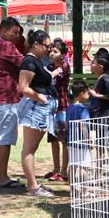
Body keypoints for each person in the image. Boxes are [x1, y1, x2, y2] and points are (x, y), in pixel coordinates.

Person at [17, 30, 60, 198]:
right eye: (46, 46)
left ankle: (33, 184)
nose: (49, 50)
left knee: (31, 148)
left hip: (42, 108)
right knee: (29, 149)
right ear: (36, 44)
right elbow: (23, 87)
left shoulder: (36, 61)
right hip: (36, 109)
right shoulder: (29, 62)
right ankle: (33, 187)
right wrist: (40, 98)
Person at [0, 17, 24, 188]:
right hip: (6, 100)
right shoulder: (6, 45)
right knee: (5, 139)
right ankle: (2, 177)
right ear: (5, 30)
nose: (17, 36)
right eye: (15, 32)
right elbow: (24, 62)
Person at [45, 38, 71, 182]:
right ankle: (55, 169)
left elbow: (50, 77)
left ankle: (63, 171)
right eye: (51, 51)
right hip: (51, 108)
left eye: (55, 51)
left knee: (63, 140)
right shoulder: (48, 67)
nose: (51, 53)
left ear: (63, 54)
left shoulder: (65, 66)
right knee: (53, 139)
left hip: (62, 107)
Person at [66, 79, 92, 184]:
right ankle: (84, 191)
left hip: (71, 142)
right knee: (84, 167)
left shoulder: (69, 108)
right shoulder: (83, 109)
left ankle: (72, 189)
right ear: (82, 94)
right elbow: (83, 126)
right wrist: (88, 140)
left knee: (72, 165)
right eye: (87, 92)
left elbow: (67, 124)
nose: (89, 95)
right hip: (82, 143)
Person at [88, 48, 109, 119]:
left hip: (105, 117)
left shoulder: (105, 79)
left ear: (100, 67)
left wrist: (95, 95)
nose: (90, 64)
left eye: (93, 63)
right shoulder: (101, 78)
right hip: (99, 116)